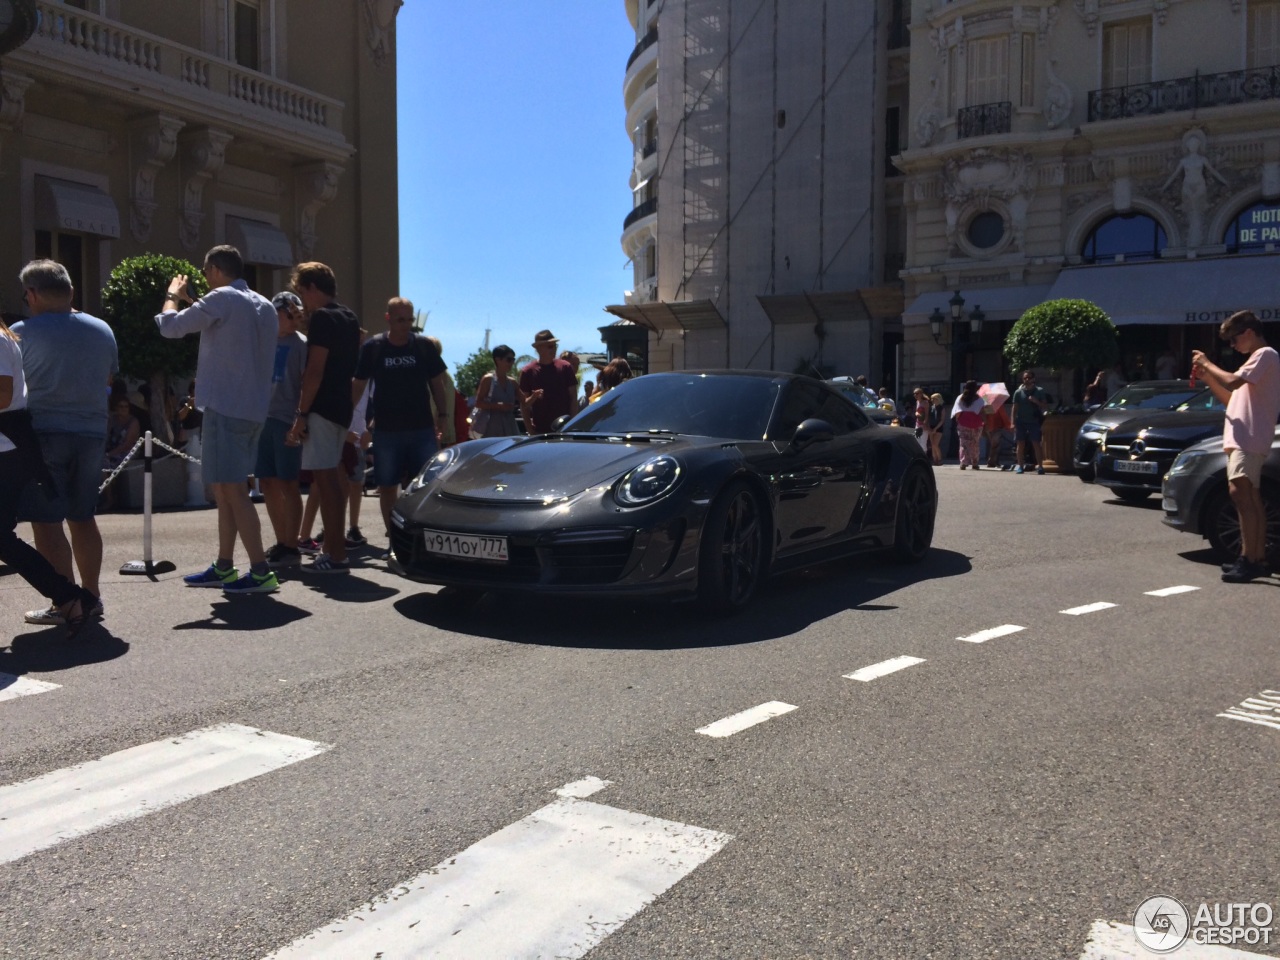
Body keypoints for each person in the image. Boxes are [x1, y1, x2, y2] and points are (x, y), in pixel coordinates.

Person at [158, 245, 279, 592]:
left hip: (226, 408)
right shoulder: (264, 305)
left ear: (213, 269)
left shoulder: (221, 298)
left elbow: (171, 327)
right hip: (252, 409)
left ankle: (260, 571)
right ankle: (225, 565)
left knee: (233, 492)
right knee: (228, 491)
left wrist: (172, 295)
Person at [11, 260, 117, 626]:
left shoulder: (20, 333)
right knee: (83, 516)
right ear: (71, 291)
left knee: (46, 521)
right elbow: (107, 378)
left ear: (32, 294)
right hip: (91, 432)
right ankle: (92, 595)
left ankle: (66, 600)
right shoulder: (102, 330)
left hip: (43, 433)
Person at [0, 314, 99, 636]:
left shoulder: (0, 341)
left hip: (6, 447)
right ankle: (70, 596)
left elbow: (3, 394)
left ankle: (69, 596)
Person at [351, 298, 450, 557]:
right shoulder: (374, 347)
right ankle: (396, 542)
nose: (406, 325)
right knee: (387, 486)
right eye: (400, 320)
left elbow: (437, 383)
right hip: (387, 431)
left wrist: (443, 414)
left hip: (421, 429)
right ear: (388, 319)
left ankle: (426, 543)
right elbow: (359, 384)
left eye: (409, 320)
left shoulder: (423, 346)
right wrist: (346, 416)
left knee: (426, 486)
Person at [1191, 310, 1280, 583]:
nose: (1233, 345)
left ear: (1249, 333)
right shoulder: (1256, 362)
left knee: (1241, 494)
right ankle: (1254, 558)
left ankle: (1251, 559)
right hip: (1245, 437)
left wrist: (1207, 363)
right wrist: (1208, 379)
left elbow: (1231, 381)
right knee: (1247, 497)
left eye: (1234, 339)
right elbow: (1233, 400)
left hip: (1249, 438)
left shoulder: (1265, 355)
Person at [287, 262, 363, 573]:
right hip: (342, 407)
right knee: (335, 481)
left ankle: (336, 555)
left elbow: (315, 370)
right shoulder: (348, 317)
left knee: (326, 482)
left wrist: (301, 413)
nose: (303, 299)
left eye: (303, 292)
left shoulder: (322, 318)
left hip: (320, 407)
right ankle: (333, 549)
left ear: (314, 288)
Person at [256, 291, 308, 567]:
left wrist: (300, 419)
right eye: (288, 314)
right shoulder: (262, 342)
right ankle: (280, 541)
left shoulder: (302, 345)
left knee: (289, 483)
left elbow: (306, 385)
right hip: (261, 419)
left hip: (287, 420)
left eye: (296, 314)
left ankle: (292, 543)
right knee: (267, 482)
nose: (293, 320)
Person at [519, 330, 578, 433]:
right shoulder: (527, 371)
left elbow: (573, 397)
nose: (554, 349)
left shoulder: (565, 367)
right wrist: (529, 428)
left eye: (555, 346)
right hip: (540, 431)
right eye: (550, 346)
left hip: (564, 429)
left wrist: (572, 424)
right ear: (538, 348)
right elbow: (524, 404)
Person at [470, 344, 522, 438]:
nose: (511, 363)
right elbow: (478, 403)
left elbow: (525, 402)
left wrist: (535, 396)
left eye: (513, 360)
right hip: (490, 427)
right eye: (509, 360)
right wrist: (498, 406)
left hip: (509, 427)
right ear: (498, 360)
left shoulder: (512, 382)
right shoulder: (488, 379)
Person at [1011, 369, 1050, 475]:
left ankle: (1040, 466)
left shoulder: (1039, 391)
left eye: (1029, 377)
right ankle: (1020, 466)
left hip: (1034, 420)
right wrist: (1012, 422)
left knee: (1036, 443)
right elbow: (1014, 408)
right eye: (1025, 378)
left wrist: (1036, 401)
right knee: (1020, 443)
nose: (1027, 380)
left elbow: (1045, 405)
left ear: (1033, 379)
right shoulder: (1018, 392)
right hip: (1021, 421)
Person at [951, 380, 985, 470]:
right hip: (976, 423)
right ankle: (975, 462)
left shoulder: (960, 398)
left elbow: (957, 412)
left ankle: (963, 462)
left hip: (963, 422)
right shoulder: (980, 399)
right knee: (975, 443)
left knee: (963, 443)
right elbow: (982, 413)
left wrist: (958, 421)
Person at [104, 395, 140, 468]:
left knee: (106, 463)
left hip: (127, 451)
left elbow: (127, 444)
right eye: (121, 406)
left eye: (126, 406)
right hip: (111, 448)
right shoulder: (112, 419)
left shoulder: (133, 422)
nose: (124, 409)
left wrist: (109, 454)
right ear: (116, 408)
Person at [927, 392, 946, 466]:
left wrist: (936, 428)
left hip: (938, 427)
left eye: (934, 399)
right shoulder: (931, 407)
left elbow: (942, 420)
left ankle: (940, 459)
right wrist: (929, 427)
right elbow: (928, 418)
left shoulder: (942, 408)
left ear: (938, 399)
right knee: (932, 445)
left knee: (935, 444)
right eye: (932, 399)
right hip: (931, 426)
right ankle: (935, 460)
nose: (932, 400)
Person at [912, 387, 929, 451]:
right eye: (914, 394)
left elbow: (927, 414)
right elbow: (917, 411)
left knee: (923, 443)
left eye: (917, 393)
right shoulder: (917, 402)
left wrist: (925, 423)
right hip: (918, 424)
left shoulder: (925, 403)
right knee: (917, 442)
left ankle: (924, 457)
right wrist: (916, 413)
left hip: (924, 425)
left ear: (921, 394)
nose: (915, 395)